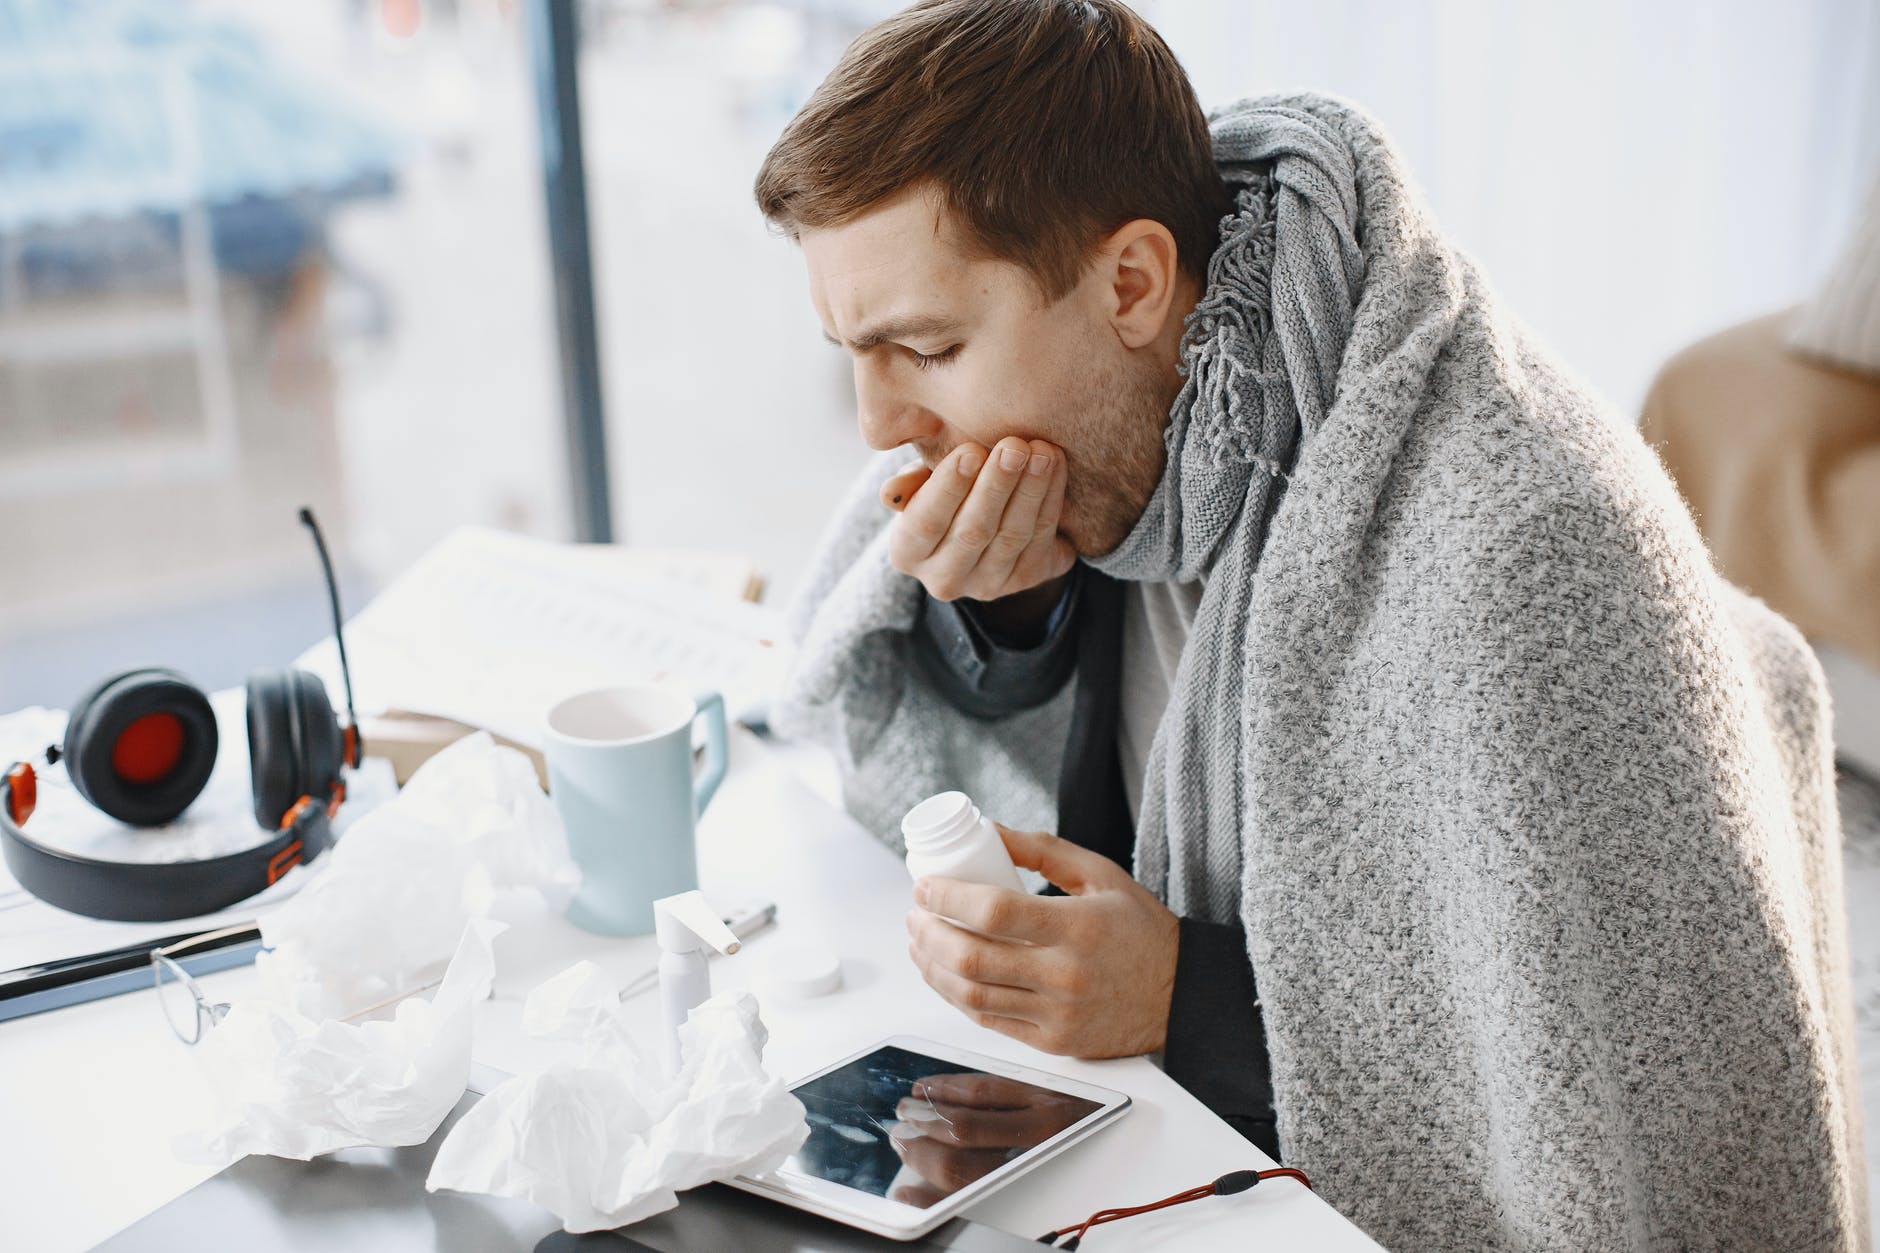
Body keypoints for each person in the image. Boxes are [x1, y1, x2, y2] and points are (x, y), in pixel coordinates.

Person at [753, 2, 1867, 1248]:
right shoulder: (1115, 418)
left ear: (1131, 281)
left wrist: (1187, 996)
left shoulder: (1517, 557)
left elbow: (1592, 1108)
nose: (876, 425)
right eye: (851, 352)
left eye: (924, 348)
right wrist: (1010, 598)